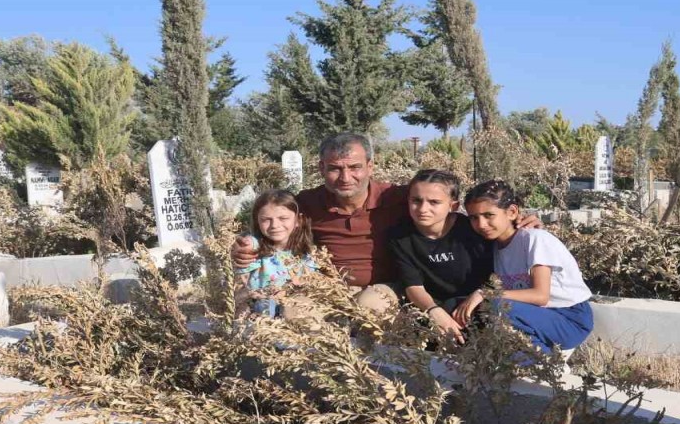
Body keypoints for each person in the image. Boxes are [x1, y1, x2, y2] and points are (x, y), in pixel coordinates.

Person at [232, 132, 543, 313]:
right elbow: (275, 220)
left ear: (370, 165)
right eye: (334, 169)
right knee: (296, 312)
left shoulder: (399, 197)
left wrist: (517, 222)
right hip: (328, 287)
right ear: (320, 167)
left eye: (354, 167)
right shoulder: (308, 203)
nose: (345, 177)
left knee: (370, 306)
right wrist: (248, 246)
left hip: (389, 286)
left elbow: (447, 204)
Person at [456, 180, 594, 354]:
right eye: (474, 218)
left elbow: (540, 295)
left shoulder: (534, 239)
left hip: (569, 319)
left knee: (497, 306)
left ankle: (547, 362)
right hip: (533, 315)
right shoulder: (493, 247)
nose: (481, 224)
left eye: (489, 215)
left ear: (512, 212)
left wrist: (484, 293)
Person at [388, 169, 491, 343]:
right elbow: (413, 286)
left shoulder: (471, 228)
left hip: (474, 303)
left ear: (453, 206)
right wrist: (433, 310)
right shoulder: (400, 237)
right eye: (416, 200)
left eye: (434, 202)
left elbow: (497, 273)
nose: (423, 209)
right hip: (431, 306)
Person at [235, 190, 318, 317]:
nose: (275, 225)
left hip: (292, 308)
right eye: (266, 220)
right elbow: (246, 244)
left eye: (283, 218)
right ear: (257, 222)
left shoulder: (307, 252)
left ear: (298, 220)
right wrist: (243, 245)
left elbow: (310, 282)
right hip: (260, 310)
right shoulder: (256, 249)